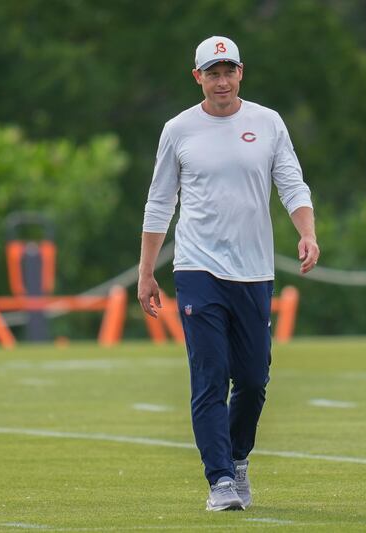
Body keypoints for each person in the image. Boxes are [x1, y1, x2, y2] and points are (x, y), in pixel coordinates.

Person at [137, 35, 320, 511]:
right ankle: (219, 479)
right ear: (197, 77)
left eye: (229, 71)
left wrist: (307, 232)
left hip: (254, 270)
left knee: (254, 380)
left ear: (242, 72)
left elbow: (291, 182)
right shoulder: (179, 130)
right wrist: (146, 272)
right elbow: (160, 203)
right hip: (198, 268)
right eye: (212, 73)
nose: (221, 81)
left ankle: (237, 459)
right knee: (211, 375)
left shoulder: (267, 122)